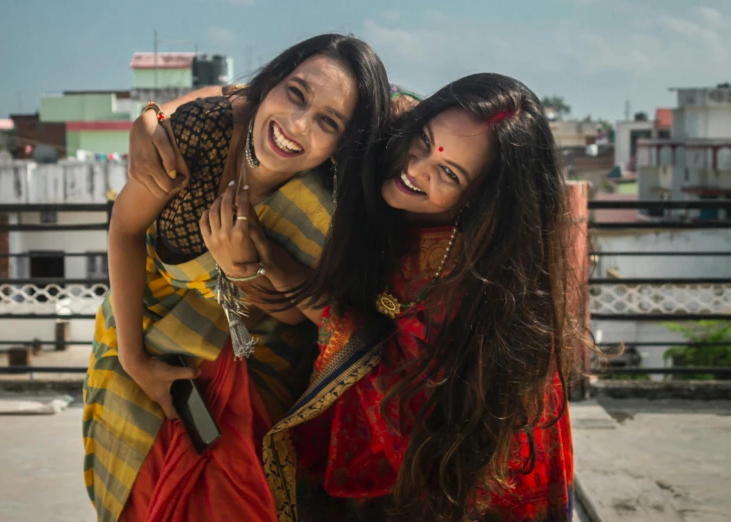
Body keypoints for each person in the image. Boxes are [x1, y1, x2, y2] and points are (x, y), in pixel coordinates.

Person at [137, 74, 580, 521]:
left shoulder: (472, 280)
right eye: (423, 141)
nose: (416, 168)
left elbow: (372, 358)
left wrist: (263, 257)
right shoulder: (392, 122)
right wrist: (157, 118)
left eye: (447, 173)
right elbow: (268, 87)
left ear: (479, 200)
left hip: (447, 464)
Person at [82, 33, 390, 522]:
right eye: (296, 93)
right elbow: (125, 227)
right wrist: (134, 359)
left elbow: (293, 315)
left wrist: (246, 266)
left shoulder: (324, 205)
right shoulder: (202, 135)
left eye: (328, 122)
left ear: (342, 145)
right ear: (269, 85)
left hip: (258, 360)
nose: (296, 124)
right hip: (144, 327)